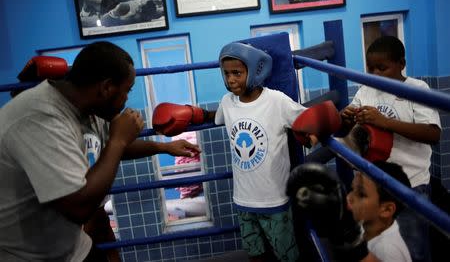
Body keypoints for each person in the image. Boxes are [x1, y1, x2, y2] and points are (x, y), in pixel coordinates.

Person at [0, 42, 201, 261]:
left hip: (72, 246)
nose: (127, 100)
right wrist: (118, 139)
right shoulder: (40, 119)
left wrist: (164, 147)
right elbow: (79, 207)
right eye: (127, 90)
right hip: (28, 256)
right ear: (106, 88)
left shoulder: (88, 108)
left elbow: (114, 147)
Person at [151, 42, 342, 261]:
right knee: (255, 254)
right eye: (227, 74)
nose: (231, 79)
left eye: (237, 73)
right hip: (243, 199)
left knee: (287, 255)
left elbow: (307, 119)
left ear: (255, 71)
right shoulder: (227, 102)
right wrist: (191, 113)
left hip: (274, 200)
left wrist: (321, 128)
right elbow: (214, 116)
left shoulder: (276, 101)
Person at [340, 36, 441, 262]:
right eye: (371, 68)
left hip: (411, 186)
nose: (375, 74)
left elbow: (433, 133)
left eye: (382, 68)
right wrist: (345, 117)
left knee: (413, 250)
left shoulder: (417, 88)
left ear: (401, 64)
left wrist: (385, 122)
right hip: (374, 187)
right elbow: (348, 122)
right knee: (378, 250)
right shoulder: (366, 89)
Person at [287, 161, 412, 262]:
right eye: (352, 189)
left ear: (386, 209)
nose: (349, 197)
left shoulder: (388, 250)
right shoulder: (368, 224)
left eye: (361, 194)